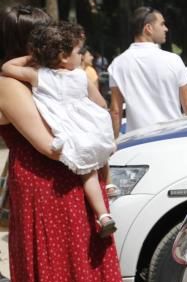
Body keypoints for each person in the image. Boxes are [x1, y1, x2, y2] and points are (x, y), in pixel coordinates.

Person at [0, 5, 136, 282]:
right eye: (42, 37)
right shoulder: (10, 83)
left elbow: (94, 109)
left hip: (75, 181)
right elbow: (46, 143)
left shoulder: (57, 77)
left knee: (89, 275)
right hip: (46, 189)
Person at [2, 22, 117, 235]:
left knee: (87, 172)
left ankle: (103, 216)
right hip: (89, 131)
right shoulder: (81, 76)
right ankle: (108, 190)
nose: (82, 55)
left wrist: (32, 58)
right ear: (64, 57)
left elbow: (7, 68)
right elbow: (101, 103)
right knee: (98, 159)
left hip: (67, 136)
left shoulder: (39, 77)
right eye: (78, 51)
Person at [108, 6, 187, 137]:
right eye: (162, 24)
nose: (166, 28)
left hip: (138, 142)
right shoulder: (173, 60)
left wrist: (113, 143)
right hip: (173, 137)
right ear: (148, 28)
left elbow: (116, 111)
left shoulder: (117, 65)